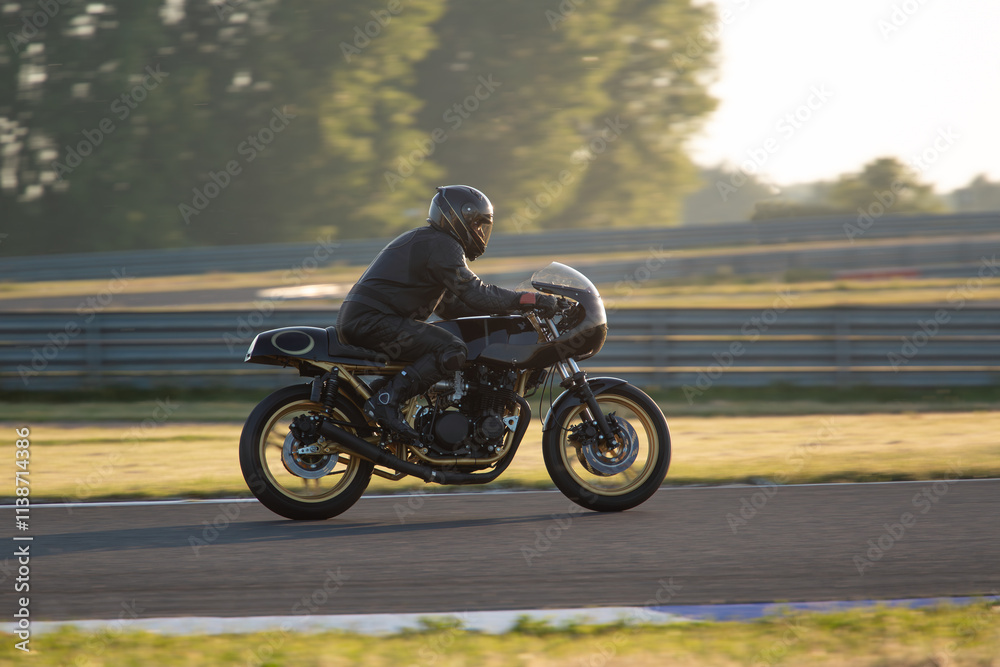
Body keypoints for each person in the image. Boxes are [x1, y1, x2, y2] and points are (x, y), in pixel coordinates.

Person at [338, 185, 559, 439]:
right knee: (451, 349)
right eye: (476, 224)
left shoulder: (430, 241)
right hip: (371, 321)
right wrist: (530, 299)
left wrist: (507, 314)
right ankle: (386, 402)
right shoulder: (443, 244)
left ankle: (379, 398)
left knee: (446, 343)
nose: (479, 232)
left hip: (368, 320)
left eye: (483, 226)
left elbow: (454, 306)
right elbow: (477, 293)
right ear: (458, 217)